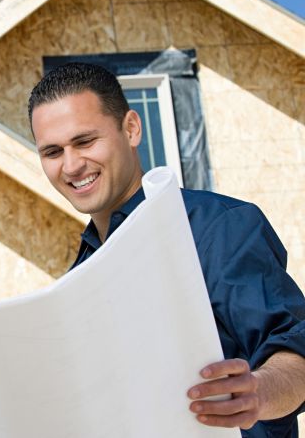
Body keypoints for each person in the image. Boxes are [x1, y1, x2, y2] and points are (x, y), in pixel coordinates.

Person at [27, 62, 305, 437]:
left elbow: (294, 347)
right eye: (52, 151)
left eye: (85, 141)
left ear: (131, 128)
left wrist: (260, 392)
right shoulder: (79, 275)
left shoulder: (215, 227)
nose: (72, 165)